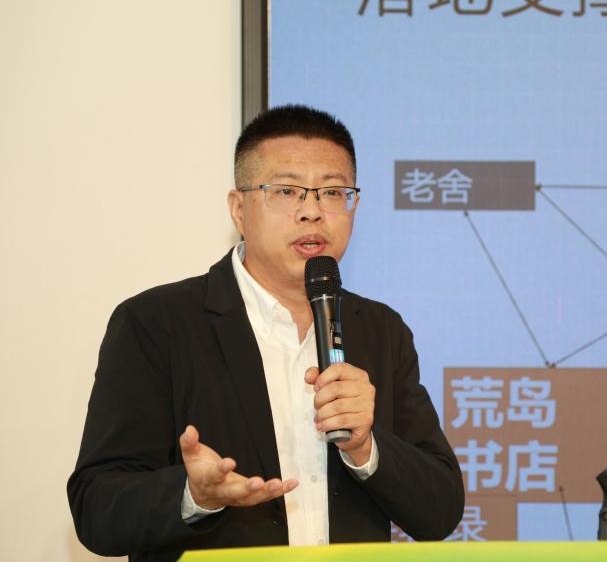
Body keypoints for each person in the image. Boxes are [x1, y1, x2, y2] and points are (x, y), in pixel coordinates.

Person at [67, 105, 465, 562]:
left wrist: (365, 447)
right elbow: (96, 509)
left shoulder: (380, 329)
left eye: (333, 192)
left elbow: (440, 511)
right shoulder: (156, 323)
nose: (312, 212)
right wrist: (194, 494)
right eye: (287, 191)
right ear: (239, 209)